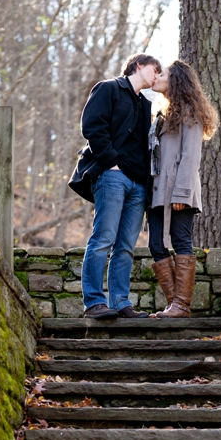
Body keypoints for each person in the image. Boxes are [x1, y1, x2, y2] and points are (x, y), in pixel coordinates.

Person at [68, 53, 161, 319]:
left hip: (138, 184)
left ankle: (121, 303)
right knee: (103, 239)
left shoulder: (145, 104)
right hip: (112, 176)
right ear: (139, 66)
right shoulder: (108, 88)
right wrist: (111, 162)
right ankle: (94, 303)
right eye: (155, 69)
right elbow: (92, 126)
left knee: (126, 246)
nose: (157, 75)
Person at [147, 60, 219, 318]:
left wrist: (181, 194)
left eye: (162, 73)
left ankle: (181, 306)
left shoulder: (190, 113)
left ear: (175, 80)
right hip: (156, 191)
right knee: (155, 243)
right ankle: (173, 305)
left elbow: (190, 157)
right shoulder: (162, 114)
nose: (156, 77)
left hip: (180, 191)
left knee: (180, 240)